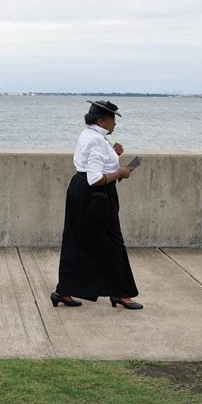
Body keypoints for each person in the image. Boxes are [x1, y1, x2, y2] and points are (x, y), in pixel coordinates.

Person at [53, 100, 143, 310]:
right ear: (101, 120)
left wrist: (114, 156)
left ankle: (63, 291)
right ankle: (121, 294)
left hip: (79, 191)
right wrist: (120, 172)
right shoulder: (97, 141)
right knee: (113, 243)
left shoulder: (89, 135)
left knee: (78, 241)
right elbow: (95, 178)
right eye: (113, 119)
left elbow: (90, 166)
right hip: (96, 196)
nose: (115, 124)